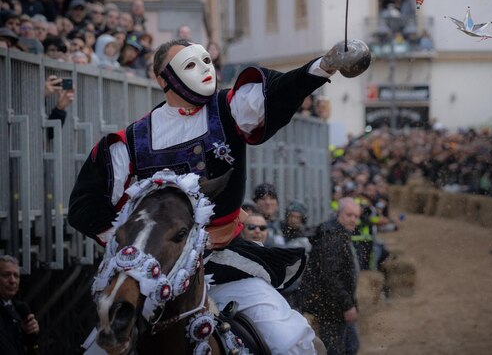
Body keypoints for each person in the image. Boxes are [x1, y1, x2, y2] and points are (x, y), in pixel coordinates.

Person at [68, 37, 369, 354]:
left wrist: (324, 65)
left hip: (225, 264)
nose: (203, 70)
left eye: (205, 61)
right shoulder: (131, 142)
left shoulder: (228, 109)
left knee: (288, 339)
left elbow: (276, 93)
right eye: (189, 64)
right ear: (162, 79)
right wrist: (134, 244)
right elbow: (84, 206)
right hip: (152, 277)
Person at [300, 197, 361, 355]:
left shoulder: (339, 233)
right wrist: (347, 305)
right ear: (338, 214)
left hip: (336, 304)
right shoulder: (332, 235)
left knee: (351, 345)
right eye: (349, 215)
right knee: (337, 349)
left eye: (356, 216)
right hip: (331, 306)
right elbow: (330, 276)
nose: (353, 219)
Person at [0, 255, 40, 355]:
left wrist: (30, 335)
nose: (12, 281)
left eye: (16, 276)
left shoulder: (20, 309)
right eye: (6, 275)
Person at [253, 182, 285, 247]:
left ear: (277, 202)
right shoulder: (249, 226)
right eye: (263, 199)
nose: (268, 202)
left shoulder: (284, 226)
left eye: (272, 198)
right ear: (256, 202)